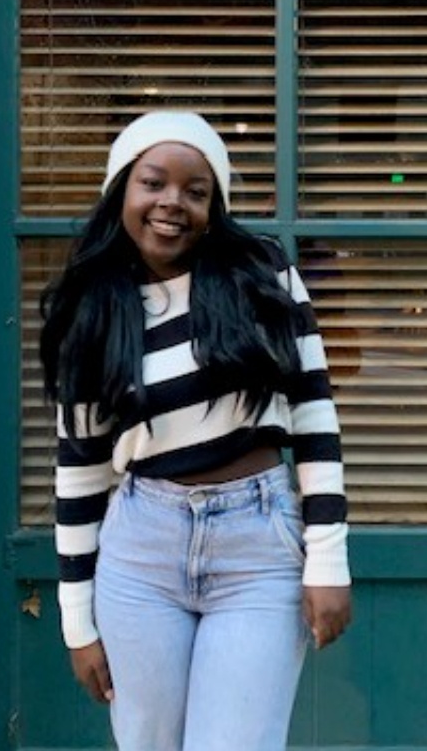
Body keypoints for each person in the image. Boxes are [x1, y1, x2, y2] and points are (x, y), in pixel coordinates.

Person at [39, 111, 352, 751]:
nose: (171, 203)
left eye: (195, 190)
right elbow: (79, 473)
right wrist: (78, 623)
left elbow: (316, 418)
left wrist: (327, 559)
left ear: (216, 206)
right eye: (153, 183)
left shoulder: (263, 274)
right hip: (139, 553)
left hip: (256, 547)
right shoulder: (94, 307)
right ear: (122, 188)